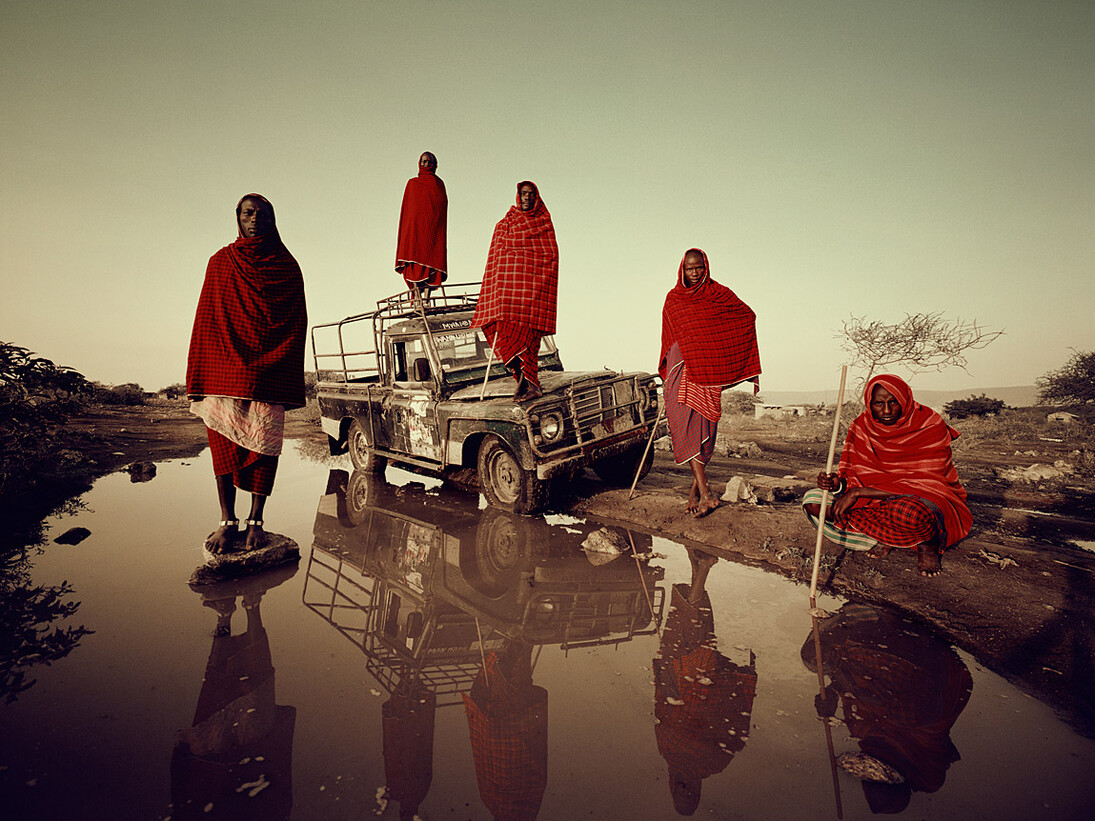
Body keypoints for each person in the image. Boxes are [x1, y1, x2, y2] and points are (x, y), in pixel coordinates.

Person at [187, 194, 307, 554]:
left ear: (273, 219)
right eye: (247, 213)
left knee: (265, 446)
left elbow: (295, 323)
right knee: (223, 446)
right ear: (237, 217)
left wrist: (277, 364)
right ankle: (227, 521)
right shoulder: (221, 262)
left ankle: (256, 520)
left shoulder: (286, 266)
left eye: (262, 214)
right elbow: (207, 319)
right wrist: (202, 373)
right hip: (224, 370)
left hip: (269, 372)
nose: (254, 219)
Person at [802, 374, 972, 577]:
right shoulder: (862, 425)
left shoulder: (929, 424)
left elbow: (927, 482)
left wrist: (857, 493)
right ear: (869, 403)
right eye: (879, 403)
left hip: (921, 498)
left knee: (910, 513)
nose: (887, 410)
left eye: (893, 402)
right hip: (874, 499)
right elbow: (855, 473)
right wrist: (837, 484)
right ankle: (888, 536)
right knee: (813, 501)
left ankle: (927, 545)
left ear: (905, 400)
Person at [659, 248, 761, 517]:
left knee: (706, 433)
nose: (694, 274)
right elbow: (669, 338)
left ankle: (696, 493)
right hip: (680, 372)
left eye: (699, 268)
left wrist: (719, 355)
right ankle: (705, 495)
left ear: (706, 267)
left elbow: (747, 316)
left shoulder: (719, 294)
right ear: (682, 269)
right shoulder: (673, 299)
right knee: (686, 429)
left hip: (707, 373)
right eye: (689, 269)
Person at [654, 549, 756, 816]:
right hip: (708, 687)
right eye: (690, 791)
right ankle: (704, 568)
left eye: (680, 790)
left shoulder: (668, 753)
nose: (685, 786)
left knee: (684, 629)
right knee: (695, 633)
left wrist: (665, 671)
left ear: (673, 786)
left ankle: (698, 568)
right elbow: (738, 729)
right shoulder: (715, 763)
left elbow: (661, 709)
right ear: (698, 791)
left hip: (677, 679)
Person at [471, 181, 559, 402]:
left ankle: (533, 385)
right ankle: (520, 378)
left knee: (529, 342)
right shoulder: (504, 224)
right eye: (523, 194)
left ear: (536, 197)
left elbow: (549, 258)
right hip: (508, 297)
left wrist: (531, 283)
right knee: (501, 333)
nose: (527, 198)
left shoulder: (543, 223)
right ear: (518, 196)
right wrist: (498, 291)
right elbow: (496, 261)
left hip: (531, 297)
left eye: (531, 194)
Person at [395, 151, 448, 297]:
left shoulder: (439, 184)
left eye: (429, 162)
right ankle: (417, 298)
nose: (426, 164)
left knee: (431, 262)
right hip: (414, 230)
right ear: (419, 163)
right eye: (424, 161)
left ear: (435, 165)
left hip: (432, 230)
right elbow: (408, 211)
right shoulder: (412, 184)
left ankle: (426, 298)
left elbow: (441, 208)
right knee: (414, 263)